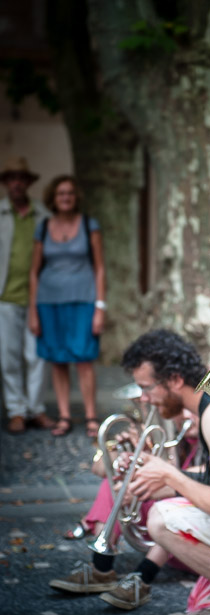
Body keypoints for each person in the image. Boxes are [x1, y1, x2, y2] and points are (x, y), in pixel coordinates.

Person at [49, 330, 210, 610]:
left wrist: (169, 474)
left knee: (161, 519)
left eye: (147, 388)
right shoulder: (209, 406)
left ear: (175, 380)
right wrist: (156, 481)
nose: (144, 398)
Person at [29, 175, 106, 438]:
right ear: (53, 197)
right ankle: (63, 416)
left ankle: (91, 416)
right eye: (61, 193)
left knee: (84, 359)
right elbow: (34, 271)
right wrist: (32, 311)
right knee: (57, 361)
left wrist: (100, 306)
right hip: (48, 302)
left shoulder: (88, 225)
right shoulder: (43, 227)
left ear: (76, 197)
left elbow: (100, 267)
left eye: (70, 193)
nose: (65, 197)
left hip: (83, 300)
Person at [0, 156, 54, 434]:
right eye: (12, 178)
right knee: (8, 357)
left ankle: (35, 409)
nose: (17, 183)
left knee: (37, 356)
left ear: (27, 182)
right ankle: (16, 410)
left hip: (37, 297)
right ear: (7, 183)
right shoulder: (0, 213)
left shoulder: (43, 216)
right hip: (5, 297)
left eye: (22, 178)